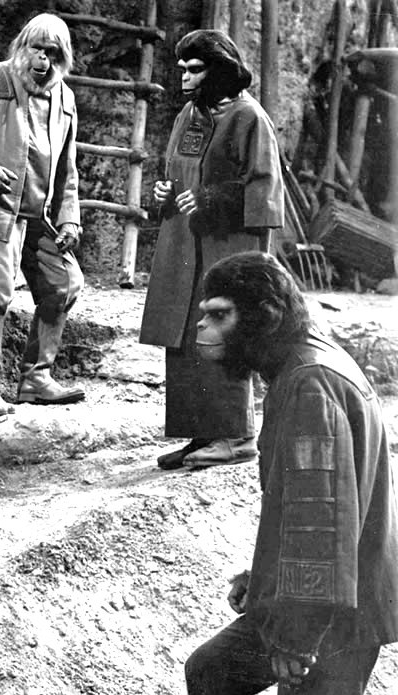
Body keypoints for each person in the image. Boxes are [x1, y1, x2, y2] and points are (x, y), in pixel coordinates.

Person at [184, 252, 398, 695]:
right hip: (333, 591)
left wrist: (298, 638)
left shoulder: (309, 385)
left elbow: (322, 522)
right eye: (204, 314)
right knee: (211, 675)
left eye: (220, 314)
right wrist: (265, 578)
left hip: (337, 613)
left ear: (264, 315)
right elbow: (314, 505)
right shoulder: (304, 364)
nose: (203, 327)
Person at [139, 30, 284, 469]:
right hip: (185, 247)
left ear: (218, 71)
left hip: (229, 249)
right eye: (182, 68)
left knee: (224, 332)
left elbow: (265, 192)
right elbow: (179, 172)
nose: (184, 76)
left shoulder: (249, 117)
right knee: (187, 336)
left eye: (195, 69)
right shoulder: (190, 114)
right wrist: (164, 192)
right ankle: (202, 433)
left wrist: (210, 199)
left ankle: (237, 437)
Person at [0, 12, 85, 415]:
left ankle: (36, 378)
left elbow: (68, 168)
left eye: (53, 53)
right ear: (22, 47)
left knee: (64, 282)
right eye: (37, 49)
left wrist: (69, 217)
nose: (43, 60)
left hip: (39, 214)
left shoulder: (65, 98)